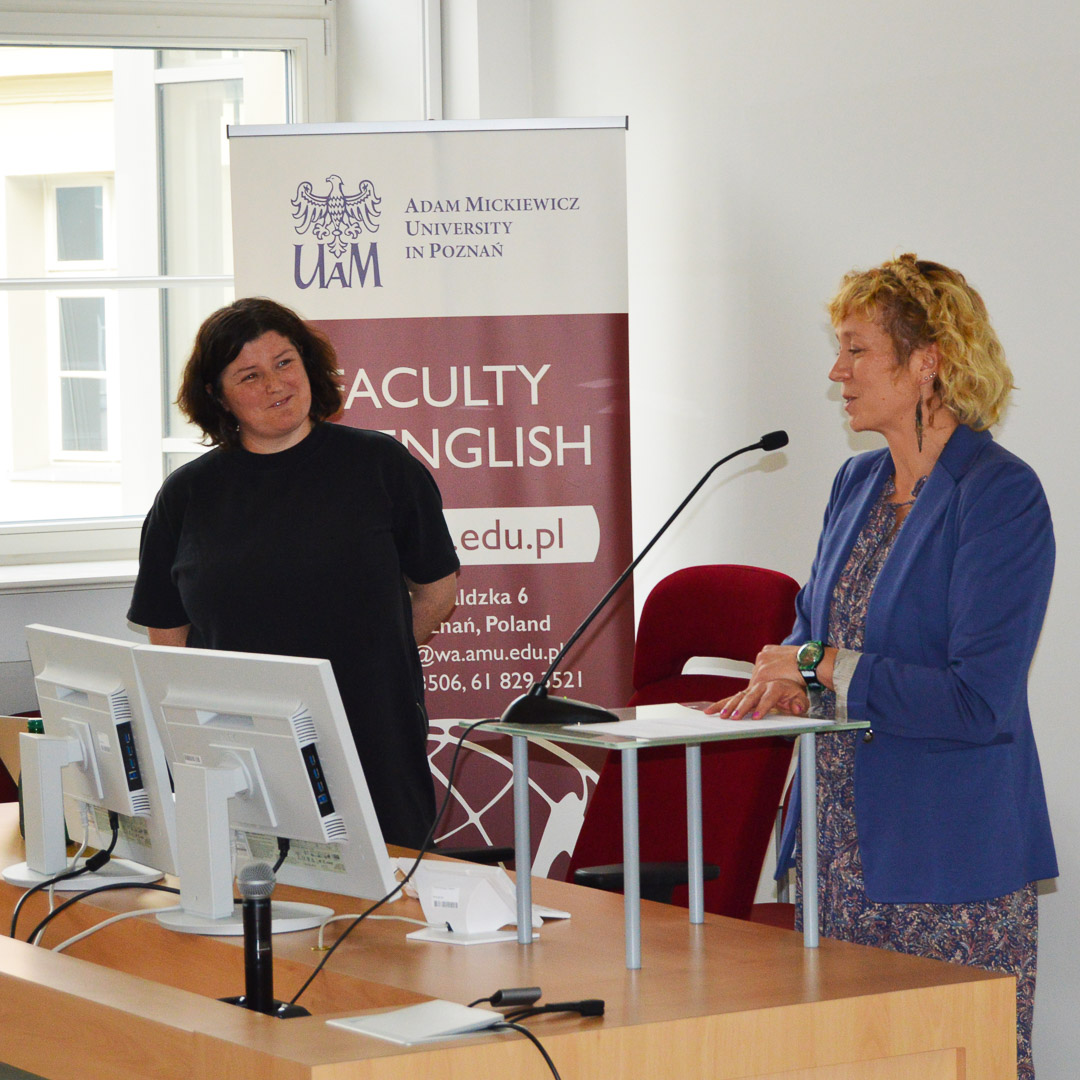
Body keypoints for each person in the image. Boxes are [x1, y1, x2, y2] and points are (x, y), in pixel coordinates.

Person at [707, 254, 1056, 1078]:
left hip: (948, 864)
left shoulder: (1000, 496)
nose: (837, 372)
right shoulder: (854, 483)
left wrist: (824, 662)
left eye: (857, 350)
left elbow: (979, 700)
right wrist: (794, 666)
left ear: (927, 361)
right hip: (837, 855)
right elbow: (811, 628)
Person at [128, 297, 459, 850]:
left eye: (285, 363)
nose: (275, 385)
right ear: (218, 396)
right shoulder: (186, 495)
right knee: (255, 901)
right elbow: (168, 635)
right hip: (241, 744)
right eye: (249, 375)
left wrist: (373, 663)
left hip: (371, 732)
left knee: (386, 904)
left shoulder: (382, 467)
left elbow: (437, 591)